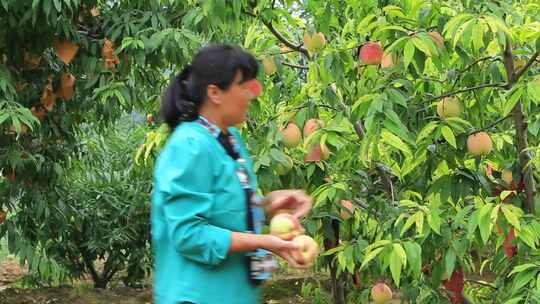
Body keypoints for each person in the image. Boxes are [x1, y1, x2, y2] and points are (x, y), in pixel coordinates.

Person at [151, 44, 314, 304]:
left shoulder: (231, 140)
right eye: (243, 85)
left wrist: (269, 204)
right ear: (215, 92)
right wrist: (268, 242)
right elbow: (189, 234)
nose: (252, 94)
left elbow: (228, 211)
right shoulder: (190, 146)